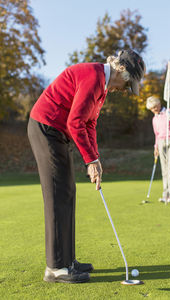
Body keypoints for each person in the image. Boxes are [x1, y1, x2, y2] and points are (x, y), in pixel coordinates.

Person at [27, 49, 146, 283]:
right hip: (46, 128)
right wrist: (89, 160)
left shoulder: (101, 89)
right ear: (121, 70)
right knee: (57, 195)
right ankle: (55, 268)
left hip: (57, 132)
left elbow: (90, 124)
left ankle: (67, 260)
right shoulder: (93, 78)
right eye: (127, 83)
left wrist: (95, 159)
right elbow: (75, 122)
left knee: (68, 192)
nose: (124, 90)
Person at [146, 96, 170, 203]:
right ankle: (165, 194)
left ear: (158, 103)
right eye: (152, 109)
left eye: (154, 107)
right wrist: (156, 147)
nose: (154, 110)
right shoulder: (155, 118)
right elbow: (157, 135)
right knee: (164, 170)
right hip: (161, 142)